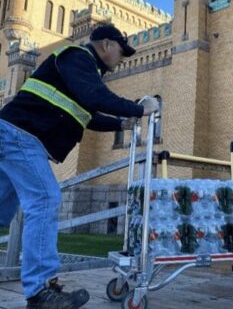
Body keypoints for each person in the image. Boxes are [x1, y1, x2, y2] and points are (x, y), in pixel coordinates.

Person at [0, 24, 159, 309]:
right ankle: (40, 291)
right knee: (45, 198)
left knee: (1, 211)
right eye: (121, 52)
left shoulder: (80, 71)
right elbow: (94, 97)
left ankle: (40, 289)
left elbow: (86, 114)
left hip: (12, 135)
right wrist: (139, 108)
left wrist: (121, 123)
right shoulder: (77, 57)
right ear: (107, 44)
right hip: (20, 137)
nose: (122, 59)